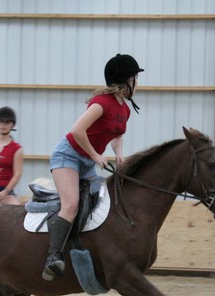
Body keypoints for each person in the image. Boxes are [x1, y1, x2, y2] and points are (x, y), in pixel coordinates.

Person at [42, 53, 144, 280]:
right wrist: (96, 155)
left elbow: (117, 135)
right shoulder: (102, 103)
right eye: (136, 77)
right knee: (71, 205)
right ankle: (52, 257)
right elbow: (77, 130)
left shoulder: (125, 109)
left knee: (101, 203)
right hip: (67, 156)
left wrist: (119, 154)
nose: (138, 82)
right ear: (126, 80)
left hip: (87, 160)